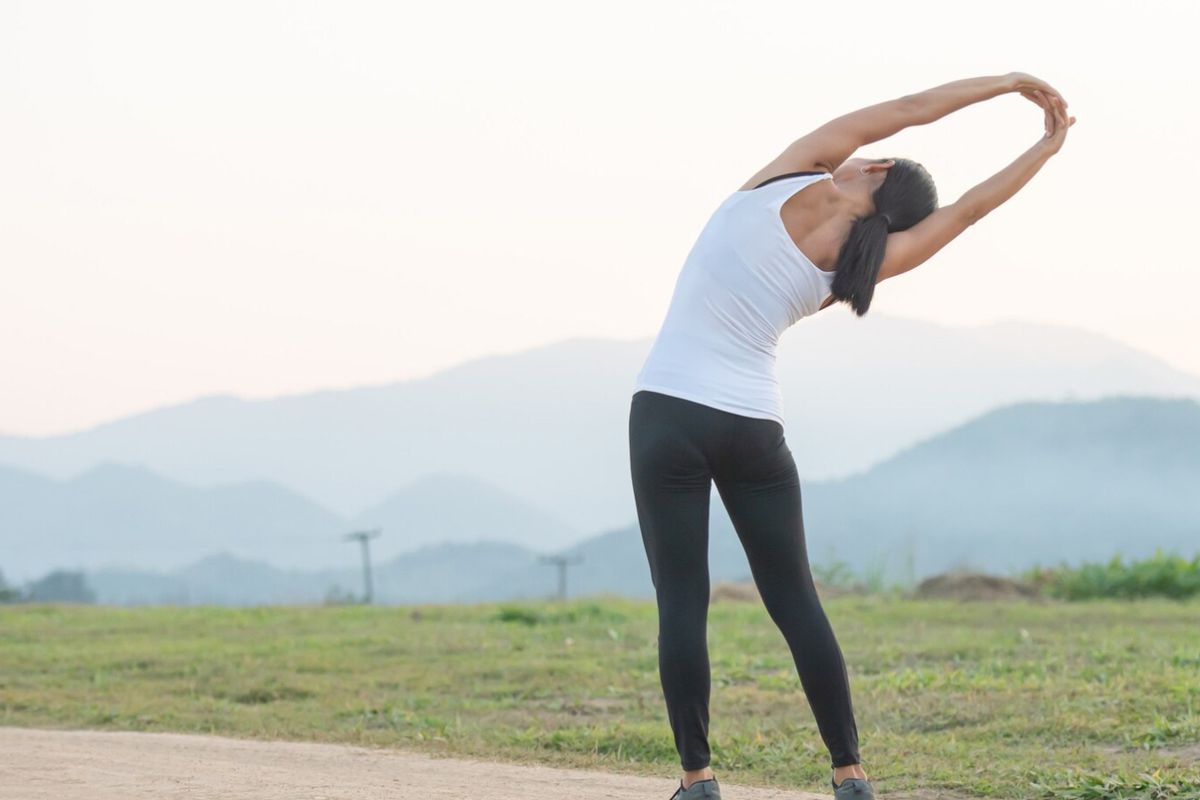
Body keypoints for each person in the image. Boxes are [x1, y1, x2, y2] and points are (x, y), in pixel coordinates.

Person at [627, 73, 1074, 800]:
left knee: (682, 600)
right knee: (796, 599)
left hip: (667, 412)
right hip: (753, 425)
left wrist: (1008, 85)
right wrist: (1046, 150)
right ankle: (849, 772)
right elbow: (965, 213)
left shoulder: (793, 170)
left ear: (874, 164)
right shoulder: (861, 263)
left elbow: (908, 110)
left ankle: (698, 778)